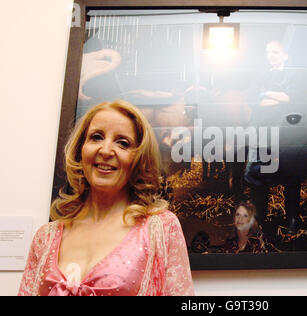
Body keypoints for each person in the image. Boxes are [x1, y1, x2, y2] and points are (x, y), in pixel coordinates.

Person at [18, 100, 194, 296]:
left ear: (139, 158)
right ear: (80, 149)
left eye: (122, 143)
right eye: (96, 137)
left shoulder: (161, 228)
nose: (106, 150)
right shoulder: (46, 237)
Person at [245, 41, 303, 235]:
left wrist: (266, 95)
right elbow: (252, 99)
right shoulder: (260, 75)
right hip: (261, 130)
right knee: (256, 174)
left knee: (291, 175)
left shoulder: (295, 74)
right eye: (267, 52)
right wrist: (278, 96)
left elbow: (293, 98)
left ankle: (292, 219)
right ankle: (260, 220)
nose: (270, 55)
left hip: (287, 132)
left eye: (275, 51)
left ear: (285, 55)